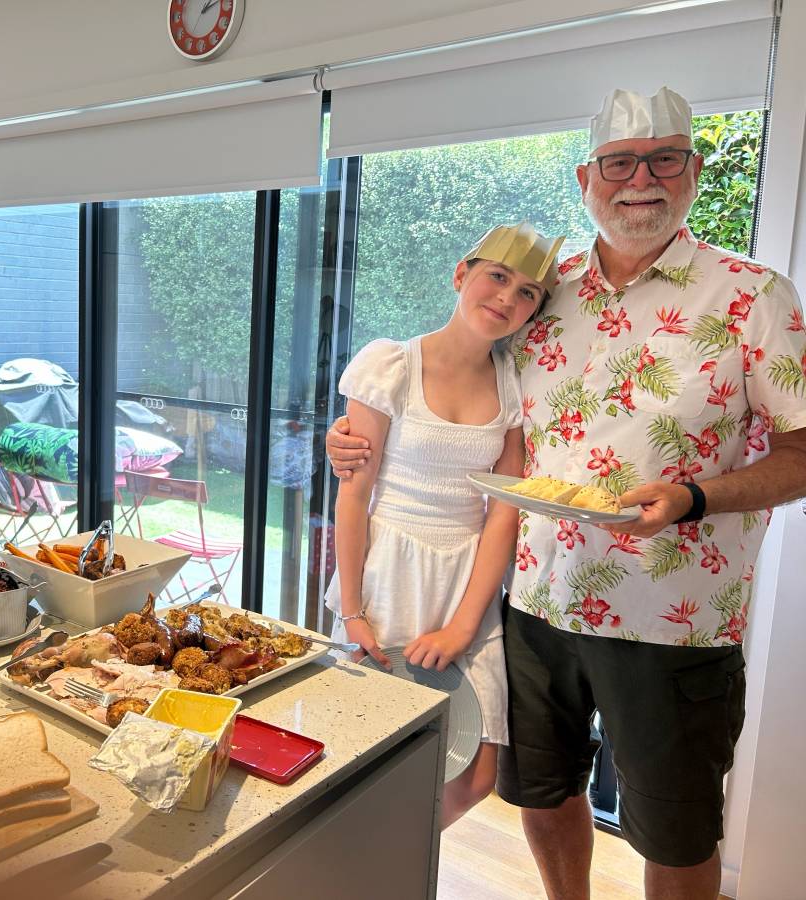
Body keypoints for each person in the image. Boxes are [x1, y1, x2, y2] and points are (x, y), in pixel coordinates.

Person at [326, 86, 806, 899]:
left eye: (663, 160)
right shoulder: (548, 293)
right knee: (542, 795)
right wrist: (349, 439)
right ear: (587, 179)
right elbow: (457, 394)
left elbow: (801, 450)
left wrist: (693, 497)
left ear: (693, 172)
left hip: (671, 614)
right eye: (619, 163)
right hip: (538, 602)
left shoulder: (751, 295)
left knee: (676, 825)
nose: (640, 180)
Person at [326, 222, 564, 829]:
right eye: (498, 277)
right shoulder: (389, 364)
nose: (508, 297)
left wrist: (462, 627)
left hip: (468, 579)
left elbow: (504, 509)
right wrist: (352, 611)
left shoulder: (513, 382)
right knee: (370, 749)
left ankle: (396, 858)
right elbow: (354, 495)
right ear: (462, 275)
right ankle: (364, 860)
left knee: (476, 772)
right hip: (388, 573)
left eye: (528, 292)